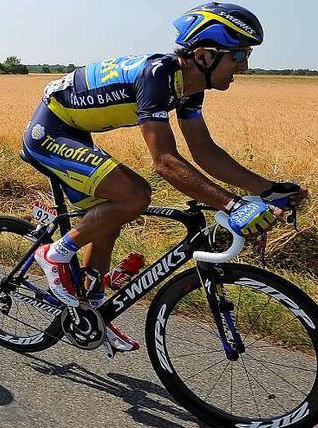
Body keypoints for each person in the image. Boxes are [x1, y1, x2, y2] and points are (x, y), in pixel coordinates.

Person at [22, 2, 309, 353]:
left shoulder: (189, 87)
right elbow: (165, 162)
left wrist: (268, 189)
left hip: (76, 132)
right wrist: (233, 205)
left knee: (110, 218)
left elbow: (205, 152)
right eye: (239, 55)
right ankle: (56, 253)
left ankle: (91, 308)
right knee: (135, 195)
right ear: (204, 55)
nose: (245, 67)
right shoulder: (157, 75)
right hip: (50, 131)